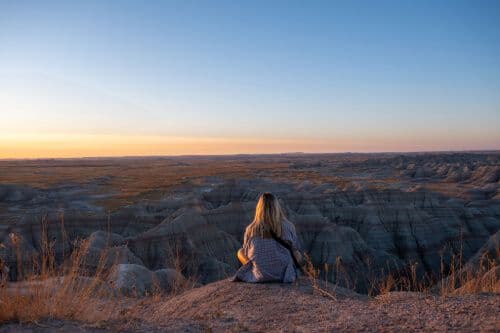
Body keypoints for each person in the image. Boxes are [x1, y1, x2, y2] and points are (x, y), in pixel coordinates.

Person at [233, 192, 301, 283]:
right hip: (283, 274)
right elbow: (295, 248)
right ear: (277, 208)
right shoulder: (288, 226)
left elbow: (246, 251)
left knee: (240, 252)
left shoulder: (251, 228)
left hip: (260, 274)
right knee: (297, 254)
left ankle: (253, 268)